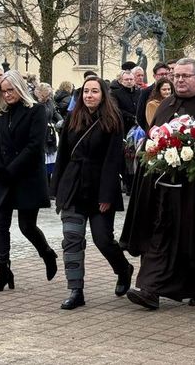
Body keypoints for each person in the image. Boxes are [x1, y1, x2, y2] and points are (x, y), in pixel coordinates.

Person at [121, 58, 195, 310]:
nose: (179, 80)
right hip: (161, 188)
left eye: (185, 76)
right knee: (158, 235)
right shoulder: (166, 104)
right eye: (176, 76)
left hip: (194, 189)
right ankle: (149, 289)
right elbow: (152, 138)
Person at [50, 76, 133, 310]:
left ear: (103, 95)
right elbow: (63, 153)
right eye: (86, 91)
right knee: (72, 240)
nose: (89, 95)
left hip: (100, 188)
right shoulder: (73, 117)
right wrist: (56, 188)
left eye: (94, 91)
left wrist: (106, 196)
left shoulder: (113, 119)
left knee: (102, 240)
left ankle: (123, 269)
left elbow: (113, 160)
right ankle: (75, 290)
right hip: (74, 186)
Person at [0, 70, 57, 292]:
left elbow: (34, 146)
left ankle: (47, 253)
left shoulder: (35, 110)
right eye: (3, 91)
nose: (7, 94)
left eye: (11, 90)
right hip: (3, 176)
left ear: (20, 88)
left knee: (26, 226)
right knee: (0, 225)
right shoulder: (0, 113)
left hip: (27, 176)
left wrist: (11, 170)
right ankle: (4, 270)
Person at [34, 83, 63, 183]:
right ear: (40, 94)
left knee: (50, 164)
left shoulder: (49, 101)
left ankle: (49, 184)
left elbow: (54, 112)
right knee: (41, 161)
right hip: (39, 134)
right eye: (46, 95)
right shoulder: (34, 103)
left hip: (50, 135)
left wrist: (61, 120)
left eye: (49, 95)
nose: (49, 97)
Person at [135, 62, 170, 131]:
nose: (164, 76)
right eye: (161, 74)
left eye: (166, 74)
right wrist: (148, 130)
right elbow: (140, 116)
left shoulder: (172, 90)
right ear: (154, 76)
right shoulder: (146, 92)